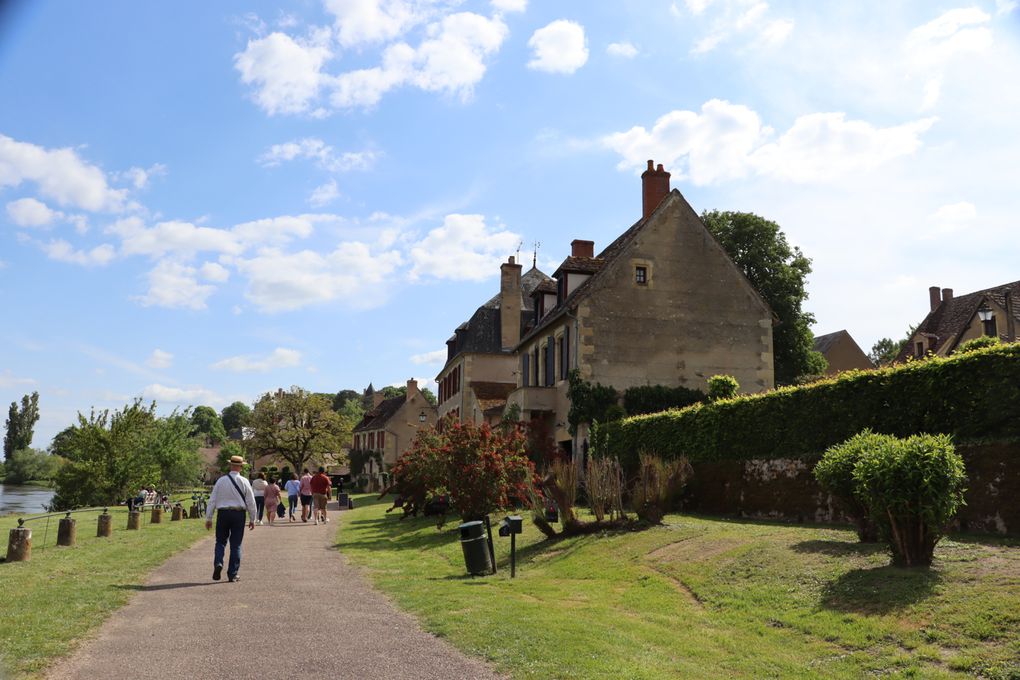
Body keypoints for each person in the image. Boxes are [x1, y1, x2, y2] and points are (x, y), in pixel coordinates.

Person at [205, 455, 257, 582]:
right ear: (240, 467)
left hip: (223, 513)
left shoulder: (221, 481)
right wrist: (252, 518)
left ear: (230, 466)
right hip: (238, 514)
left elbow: (212, 500)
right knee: (236, 545)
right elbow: (251, 501)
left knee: (220, 542)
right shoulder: (244, 481)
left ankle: (218, 563)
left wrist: (209, 517)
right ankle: (232, 573)